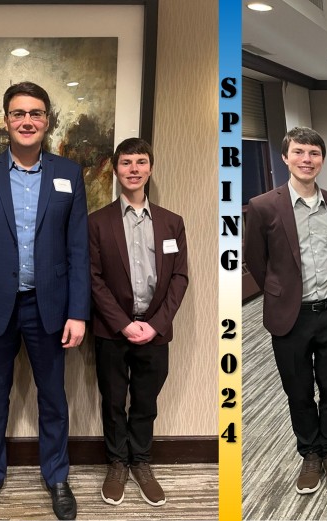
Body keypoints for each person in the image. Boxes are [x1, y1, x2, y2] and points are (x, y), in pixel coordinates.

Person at [0, 81, 89, 520]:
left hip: (49, 305)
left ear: (47, 120)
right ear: (6, 120)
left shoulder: (69, 173)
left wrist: (78, 312)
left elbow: (78, 251)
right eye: (18, 113)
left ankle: (57, 476)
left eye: (36, 113)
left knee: (54, 398)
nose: (27, 121)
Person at [243, 127, 327, 494]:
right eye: (300, 152)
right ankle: (309, 453)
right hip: (290, 315)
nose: (307, 160)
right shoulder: (263, 206)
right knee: (299, 389)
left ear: (322, 159)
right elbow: (256, 261)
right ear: (285, 157)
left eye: (314, 153)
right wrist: (279, 291)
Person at [89, 137, 189, 507]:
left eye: (141, 161)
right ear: (116, 170)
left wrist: (156, 323)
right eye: (126, 162)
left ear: (150, 168)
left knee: (146, 401)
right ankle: (117, 462)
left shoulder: (171, 222)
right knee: (114, 400)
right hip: (112, 331)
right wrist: (123, 323)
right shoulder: (97, 223)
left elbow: (180, 277)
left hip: (156, 329)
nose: (134, 169)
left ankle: (141, 461)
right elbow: (93, 279)